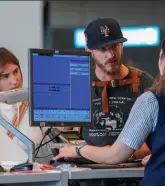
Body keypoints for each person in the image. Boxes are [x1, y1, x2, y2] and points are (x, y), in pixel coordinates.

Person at [54, 26, 165, 186]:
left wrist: (79, 149)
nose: (110, 54)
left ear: (164, 58)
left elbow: (115, 155)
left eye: (114, 46)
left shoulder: (152, 100)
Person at [57, 18, 155, 159]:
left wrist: (125, 153)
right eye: (102, 49)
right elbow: (62, 129)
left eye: (114, 46)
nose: (110, 55)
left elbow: (162, 133)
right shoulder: (78, 83)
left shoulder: (143, 82)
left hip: (133, 172)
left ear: (122, 45)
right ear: (88, 50)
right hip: (86, 174)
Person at [0, 47, 51, 162]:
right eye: (5, 76)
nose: (15, 81)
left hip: (35, 175)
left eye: (16, 72)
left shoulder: (37, 104)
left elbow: (52, 148)